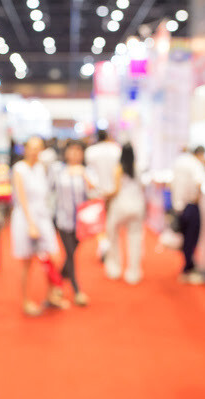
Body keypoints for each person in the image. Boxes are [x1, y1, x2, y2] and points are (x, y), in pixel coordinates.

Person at [11, 136, 69, 316]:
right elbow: (22, 199)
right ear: (25, 149)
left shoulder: (41, 168)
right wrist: (31, 224)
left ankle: (52, 295)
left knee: (53, 256)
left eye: (38, 148)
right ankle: (26, 300)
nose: (35, 151)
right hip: (25, 218)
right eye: (32, 147)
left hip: (43, 217)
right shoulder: (19, 169)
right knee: (27, 262)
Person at [51, 140, 92, 306]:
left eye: (78, 151)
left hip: (82, 222)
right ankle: (76, 290)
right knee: (70, 254)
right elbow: (50, 191)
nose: (75, 154)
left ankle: (57, 282)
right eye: (72, 150)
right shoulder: (58, 170)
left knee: (71, 254)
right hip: (63, 219)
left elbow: (96, 191)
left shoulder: (87, 171)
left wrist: (84, 175)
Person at [104, 143, 145, 285]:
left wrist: (105, 195)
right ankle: (134, 272)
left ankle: (115, 268)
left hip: (120, 206)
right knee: (135, 239)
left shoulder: (119, 169)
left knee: (113, 236)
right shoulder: (138, 169)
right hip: (137, 207)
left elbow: (115, 190)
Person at [171, 146, 205, 284]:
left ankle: (187, 267)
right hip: (191, 205)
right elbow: (199, 182)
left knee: (186, 239)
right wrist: (197, 198)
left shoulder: (179, 161)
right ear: (200, 154)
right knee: (191, 239)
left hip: (179, 205)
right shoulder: (195, 164)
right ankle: (188, 269)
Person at [85, 129, 121, 258]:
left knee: (99, 220)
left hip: (97, 190)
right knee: (111, 220)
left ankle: (104, 243)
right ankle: (109, 245)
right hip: (114, 191)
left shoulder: (91, 151)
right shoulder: (116, 149)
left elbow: (88, 171)